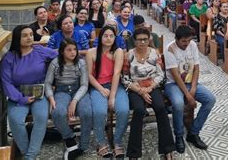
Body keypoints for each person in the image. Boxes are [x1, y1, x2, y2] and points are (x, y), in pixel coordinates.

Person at [0, 25, 58, 159]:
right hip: (18, 94)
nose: (29, 38)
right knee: (15, 120)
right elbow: (6, 82)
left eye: (31, 34)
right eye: (25, 35)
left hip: (39, 92)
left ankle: (29, 156)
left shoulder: (40, 50)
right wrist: (21, 99)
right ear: (17, 38)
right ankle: (29, 154)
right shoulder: (9, 58)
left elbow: (61, 54)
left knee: (41, 118)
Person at [123, 28, 175, 159]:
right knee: (139, 110)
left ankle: (167, 148)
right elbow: (124, 78)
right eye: (139, 39)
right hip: (135, 88)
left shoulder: (154, 53)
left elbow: (160, 75)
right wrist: (140, 90)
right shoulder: (128, 55)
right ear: (134, 41)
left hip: (153, 87)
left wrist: (149, 88)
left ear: (149, 39)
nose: (142, 42)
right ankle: (134, 153)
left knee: (160, 107)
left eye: (145, 39)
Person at [164, 25, 216, 153]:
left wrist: (193, 88)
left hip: (190, 82)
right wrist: (188, 96)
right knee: (178, 103)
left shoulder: (192, 45)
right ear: (176, 39)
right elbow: (175, 75)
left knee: (210, 99)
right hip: (173, 84)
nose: (186, 44)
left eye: (188, 40)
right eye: (183, 41)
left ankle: (193, 133)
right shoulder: (170, 49)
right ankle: (179, 135)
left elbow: (196, 68)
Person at [44, 38, 92, 159]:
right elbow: (48, 83)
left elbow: (84, 85)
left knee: (86, 112)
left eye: (75, 49)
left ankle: (83, 145)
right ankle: (69, 137)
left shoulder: (81, 63)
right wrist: (51, 97)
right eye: (69, 50)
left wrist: (74, 101)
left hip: (79, 90)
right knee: (57, 112)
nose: (73, 52)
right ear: (62, 52)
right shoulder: (55, 63)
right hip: (62, 91)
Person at [86, 26, 130, 158]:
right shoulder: (91, 52)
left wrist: (112, 96)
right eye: (105, 35)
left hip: (116, 86)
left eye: (111, 36)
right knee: (99, 111)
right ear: (100, 37)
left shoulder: (118, 52)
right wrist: (100, 88)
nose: (108, 38)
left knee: (123, 110)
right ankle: (101, 142)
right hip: (97, 86)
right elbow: (89, 75)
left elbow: (117, 73)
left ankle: (117, 141)